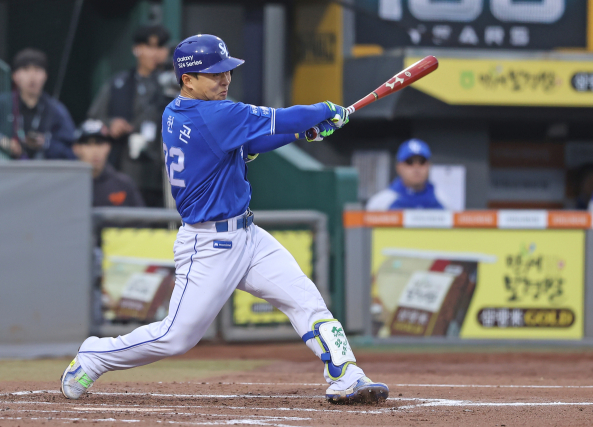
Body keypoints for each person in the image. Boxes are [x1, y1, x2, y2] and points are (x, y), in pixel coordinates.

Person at [60, 34, 389, 405]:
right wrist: (326, 110)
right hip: (209, 244)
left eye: (226, 71)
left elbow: (248, 143)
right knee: (177, 337)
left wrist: (303, 132)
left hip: (248, 235)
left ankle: (347, 374)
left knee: (306, 300)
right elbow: (283, 117)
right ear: (188, 79)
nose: (225, 79)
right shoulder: (213, 115)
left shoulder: (179, 111)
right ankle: (95, 355)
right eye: (214, 74)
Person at [87, 25, 170, 207]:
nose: (155, 53)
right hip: (124, 170)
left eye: (160, 47)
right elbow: (92, 123)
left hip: (162, 175)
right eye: (149, 47)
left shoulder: (173, 87)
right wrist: (110, 124)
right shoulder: (118, 84)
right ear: (137, 49)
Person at [0, 48, 75, 159]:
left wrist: (46, 144)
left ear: (45, 75)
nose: (32, 76)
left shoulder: (56, 110)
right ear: (14, 76)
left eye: (37, 69)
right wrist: (4, 142)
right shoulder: (3, 104)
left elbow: (73, 150)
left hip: (45, 173)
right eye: (25, 69)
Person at [73, 119, 144, 208]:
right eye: (88, 144)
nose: (95, 151)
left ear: (108, 147)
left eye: (100, 143)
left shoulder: (123, 184)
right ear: (76, 148)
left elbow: (140, 220)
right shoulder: (67, 185)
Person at [366, 138, 444, 210]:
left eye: (422, 162)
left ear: (429, 166)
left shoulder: (442, 199)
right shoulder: (380, 203)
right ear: (399, 167)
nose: (416, 168)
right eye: (409, 162)